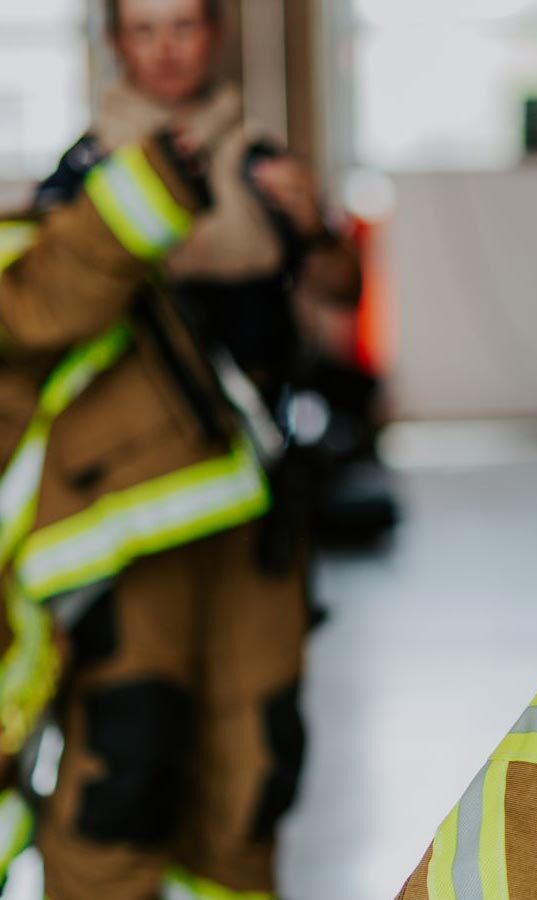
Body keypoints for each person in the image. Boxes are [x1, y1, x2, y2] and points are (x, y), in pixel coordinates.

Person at [14, 0, 332, 895]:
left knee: (255, 762)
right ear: (116, 44)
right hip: (132, 518)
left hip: (259, 509)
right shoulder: (84, 177)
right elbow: (45, 320)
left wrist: (311, 226)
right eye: (143, 30)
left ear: (214, 34)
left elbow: (338, 287)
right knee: (130, 756)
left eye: (182, 25)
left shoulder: (263, 159)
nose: (165, 50)